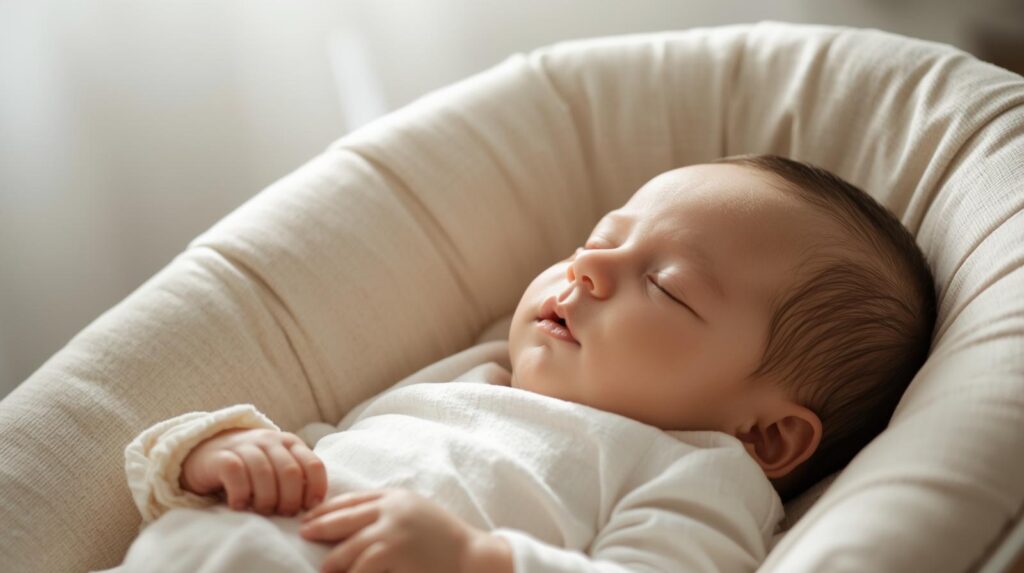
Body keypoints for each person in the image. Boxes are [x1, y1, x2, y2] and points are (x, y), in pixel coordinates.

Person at [104, 155, 936, 573]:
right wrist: (221, 452)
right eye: (602, 240)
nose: (588, 268)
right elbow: (331, 443)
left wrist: (478, 560)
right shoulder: (475, 374)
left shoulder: (701, 469)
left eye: (666, 287)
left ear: (769, 434)